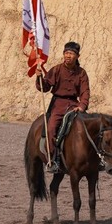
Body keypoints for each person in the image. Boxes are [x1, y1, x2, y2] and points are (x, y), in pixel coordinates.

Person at [35, 41, 91, 174]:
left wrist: (82, 106)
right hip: (58, 105)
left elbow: (85, 92)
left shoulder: (81, 73)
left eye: (71, 53)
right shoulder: (57, 69)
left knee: (89, 128)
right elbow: (45, 87)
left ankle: (93, 158)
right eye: (66, 53)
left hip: (74, 105)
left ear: (77, 56)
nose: (68, 56)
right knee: (51, 128)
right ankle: (52, 159)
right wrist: (39, 78)